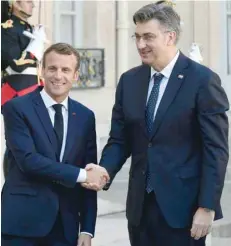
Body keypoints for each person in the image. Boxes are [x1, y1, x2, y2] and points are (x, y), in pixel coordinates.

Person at [82, 1, 229, 246]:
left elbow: (216, 150)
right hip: (140, 210)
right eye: (137, 37)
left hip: (184, 212)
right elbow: (120, 139)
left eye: (148, 37)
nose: (140, 45)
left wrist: (207, 205)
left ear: (170, 36)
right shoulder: (129, 81)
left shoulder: (202, 81)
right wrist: (105, 171)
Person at [1, 43, 109, 246]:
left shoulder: (85, 116)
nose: (58, 76)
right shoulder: (16, 108)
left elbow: (89, 169)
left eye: (66, 70)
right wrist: (83, 175)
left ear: (75, 75)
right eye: (52, 68)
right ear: (42, 71)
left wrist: (87, 229)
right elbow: (28, 160)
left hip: (65, 227)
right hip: (22, 224)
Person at [1, 0, 47, 177]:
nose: (33, 5)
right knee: (16, 141)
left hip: (35, 89)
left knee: (36, 139)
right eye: (28, 1)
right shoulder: (6, 29)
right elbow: (16, 64)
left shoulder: (30, 30)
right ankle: (13, 179)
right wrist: (35, 48)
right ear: (15, 3)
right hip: (16, 91)